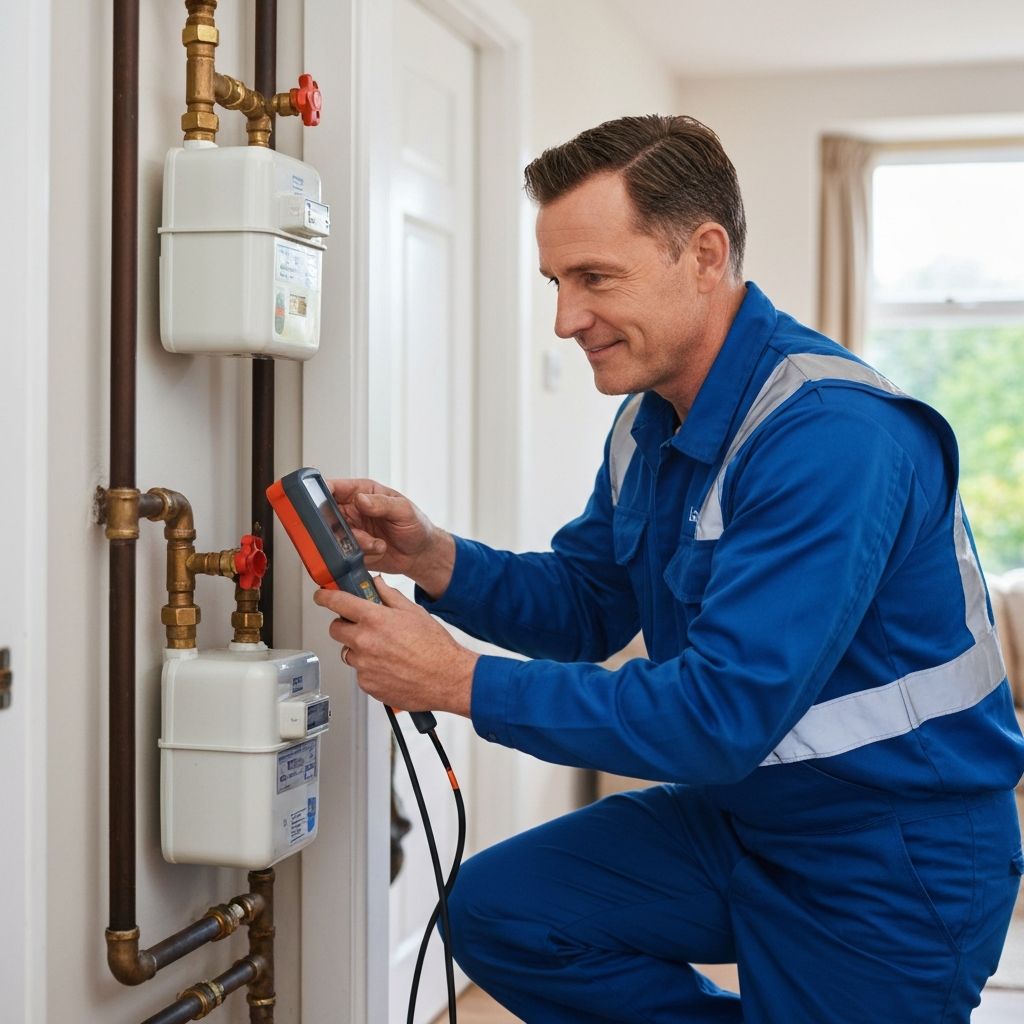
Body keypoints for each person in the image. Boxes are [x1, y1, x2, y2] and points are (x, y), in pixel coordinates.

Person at [314, 115, 1024, 1023]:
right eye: (557, 283)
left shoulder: (832, 438)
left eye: (593, 279)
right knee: (504, 913)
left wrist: (458, 680)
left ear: (704, 253)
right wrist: (433, 556)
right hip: (746, 814)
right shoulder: (654, 420)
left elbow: (721, 715)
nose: (567, 319)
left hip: (890, 848)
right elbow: (587, 602)